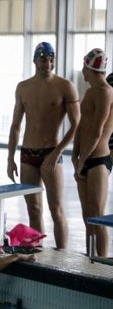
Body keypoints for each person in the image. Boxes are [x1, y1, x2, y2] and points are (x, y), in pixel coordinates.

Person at [6, 42, 80, 250]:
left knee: (56, 209)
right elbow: (15, 126)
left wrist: (57, 152)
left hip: (51, 153)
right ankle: (36, 252)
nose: (48, 64)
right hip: (27, 154)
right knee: (34, 208)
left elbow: (76, 125)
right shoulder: (23, 87)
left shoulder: (65, 86)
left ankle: (62, 255)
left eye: (51, 60)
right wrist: (10, 158)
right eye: (43, 60)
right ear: (34, 60)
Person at [72, 48, 113, 257]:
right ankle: (91, 260)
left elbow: (97, 131)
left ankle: (103, 265)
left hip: (97, 160)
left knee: (97, 216)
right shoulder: (89, 93)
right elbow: (82, 125)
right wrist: (74, 153)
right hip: (84, 158)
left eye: (84, 66)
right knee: (87, 216)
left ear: (89, 68)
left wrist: (82, 160)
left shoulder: (107, 92)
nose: (82, 71)